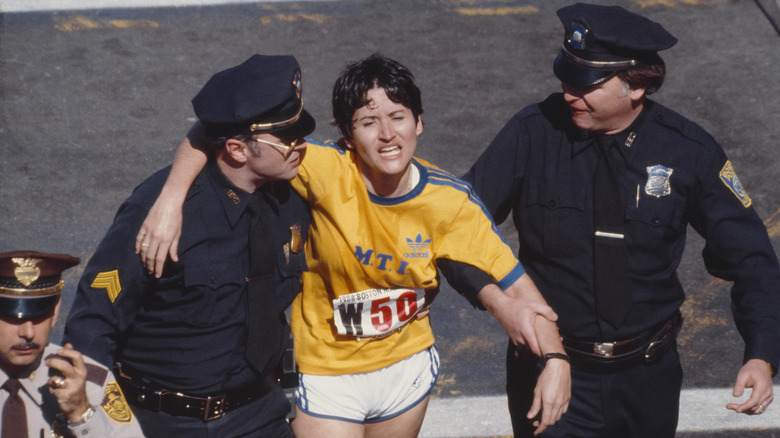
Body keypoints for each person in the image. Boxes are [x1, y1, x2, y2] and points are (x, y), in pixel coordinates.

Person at [135, 54, 571, 437]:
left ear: (419, 122)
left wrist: (555, 360)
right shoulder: (322, 169)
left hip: (405, 369)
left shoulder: (451, 203)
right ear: (347, 135)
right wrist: (170, 201)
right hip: (326, 372)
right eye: (368, 122)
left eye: (398, 117)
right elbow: (213, 130)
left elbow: (523, 295)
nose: (387, 135)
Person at [445, 3, 780, 437]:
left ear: (635, 86)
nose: (569, 93)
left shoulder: (689, 151)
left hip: (648, 382)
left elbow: (752, 260)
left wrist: (762, 353)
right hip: (553, 374)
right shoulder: (533, 134)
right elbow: (457, 227)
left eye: (587, 84)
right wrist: (502, 305)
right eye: (567, 77)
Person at [64, 54, 315, 437]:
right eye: (286, 137)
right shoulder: (161, 213)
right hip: (168, 420)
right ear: (236, 149)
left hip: (259, 414)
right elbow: (95, 317)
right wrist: (91, 422)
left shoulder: (293, 190)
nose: (300, 145)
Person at [0, 250, 144, 438]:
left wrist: (82, 415)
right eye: (13, 317)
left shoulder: (90, 384)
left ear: (56, 310)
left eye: (39, 316)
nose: (28, 333)